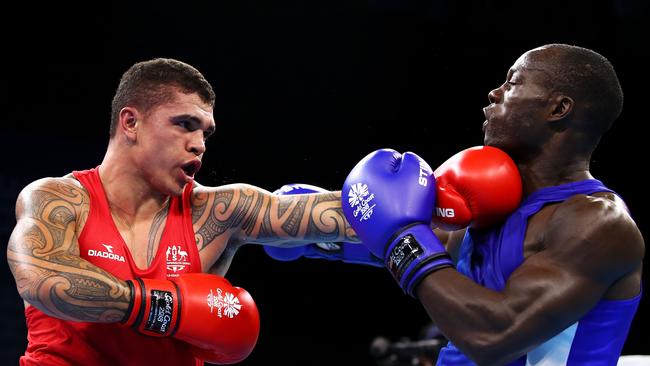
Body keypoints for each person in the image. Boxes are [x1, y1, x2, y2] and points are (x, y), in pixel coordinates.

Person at [6, 58, 358, 365]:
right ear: (131, 123)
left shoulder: (217, 212)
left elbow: (350, 214)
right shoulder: (59, 198)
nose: (199, 144)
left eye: (206, 132)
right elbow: (43, 280)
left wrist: (394, 204)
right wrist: (171, 310)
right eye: (185, 125)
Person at [341, 43, 644, 365]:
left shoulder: (598, 223)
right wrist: (298, 230)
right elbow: (403, 232)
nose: (493, 93)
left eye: (512, 83)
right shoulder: (491, 205)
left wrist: (401, 238)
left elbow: (493, 337)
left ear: (558, 109)